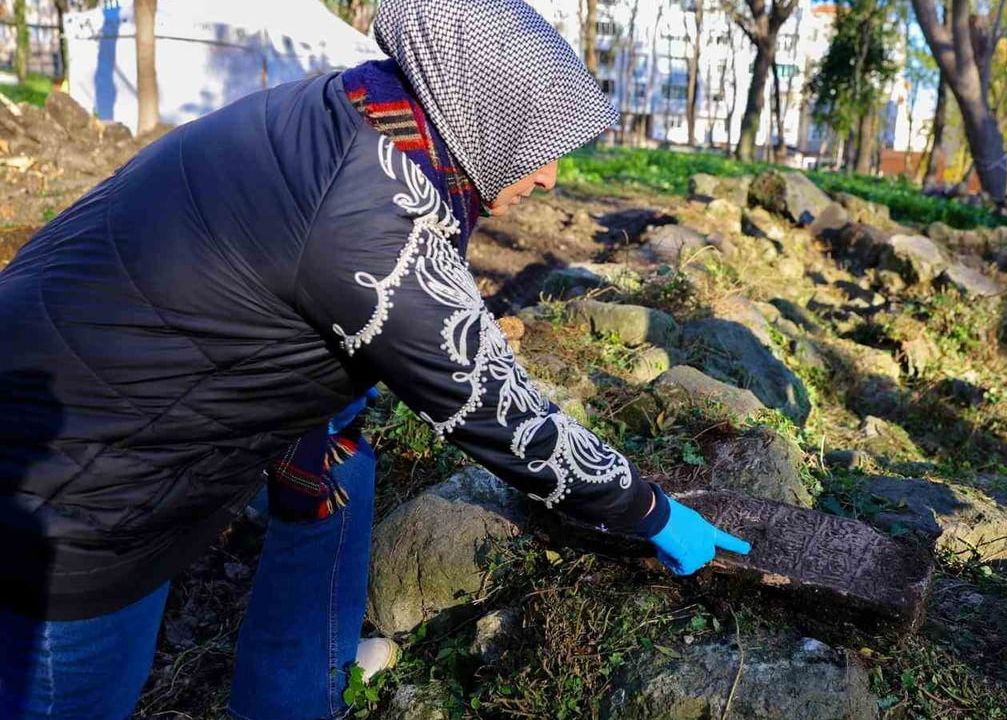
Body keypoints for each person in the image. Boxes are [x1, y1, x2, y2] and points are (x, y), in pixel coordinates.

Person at [0, 1, 751, 718]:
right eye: (539, 145)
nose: (550, 176)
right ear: (486, 118)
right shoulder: (378, 217)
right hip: (80, 478)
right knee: (77, 694)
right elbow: (494, 405)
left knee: (340, 464)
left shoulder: (352, 107)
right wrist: (648, 511)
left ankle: (293, 698)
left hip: (91, 374)